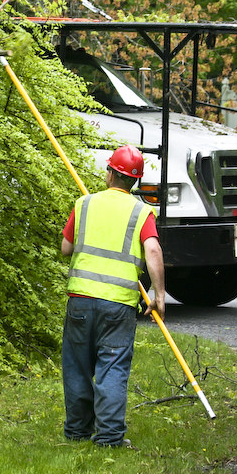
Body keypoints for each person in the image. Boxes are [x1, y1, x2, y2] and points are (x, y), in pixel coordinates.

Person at [60, 144, 166, 447]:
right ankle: (108, 438)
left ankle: (78, 432)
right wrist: (159, 295)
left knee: (78, 367)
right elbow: (153, 250)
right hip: (118, 304)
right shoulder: (142, 211)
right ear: (134, 181)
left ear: (110, 173)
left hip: (80, 300)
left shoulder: (85, 204)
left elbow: (66, 249)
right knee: (112, 367)